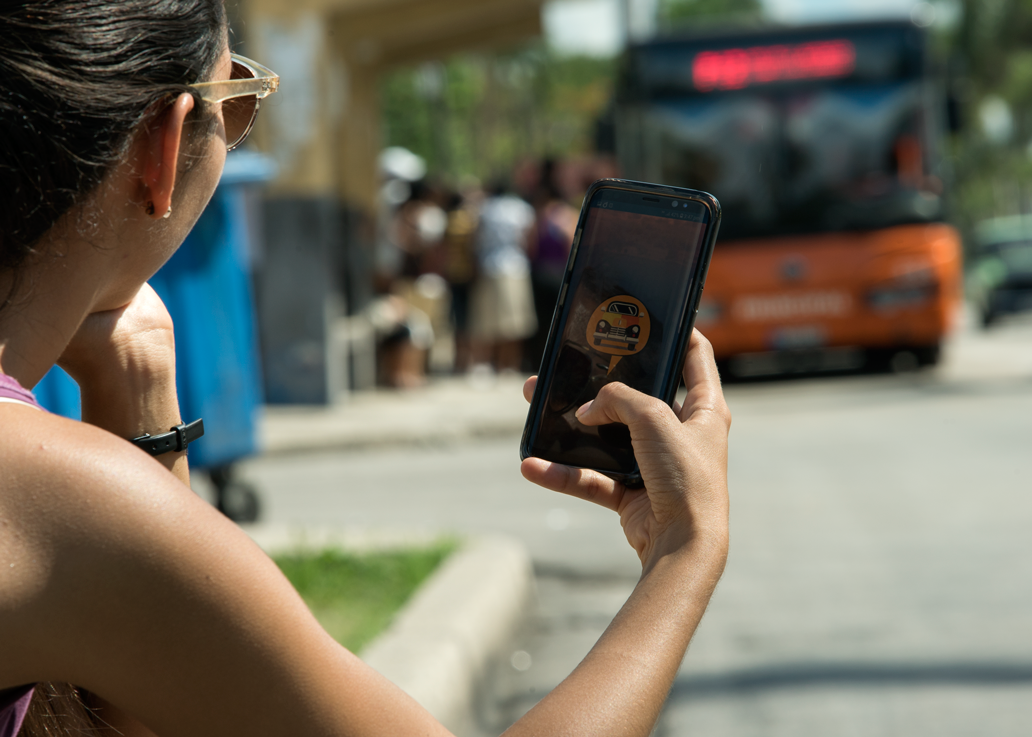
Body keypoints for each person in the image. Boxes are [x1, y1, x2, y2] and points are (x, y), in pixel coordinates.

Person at [0, 2, 731, 736]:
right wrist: (684, 550)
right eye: (240, 101)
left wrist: (139, 388)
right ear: (162, 150)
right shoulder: (59, 498)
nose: (243, 123)